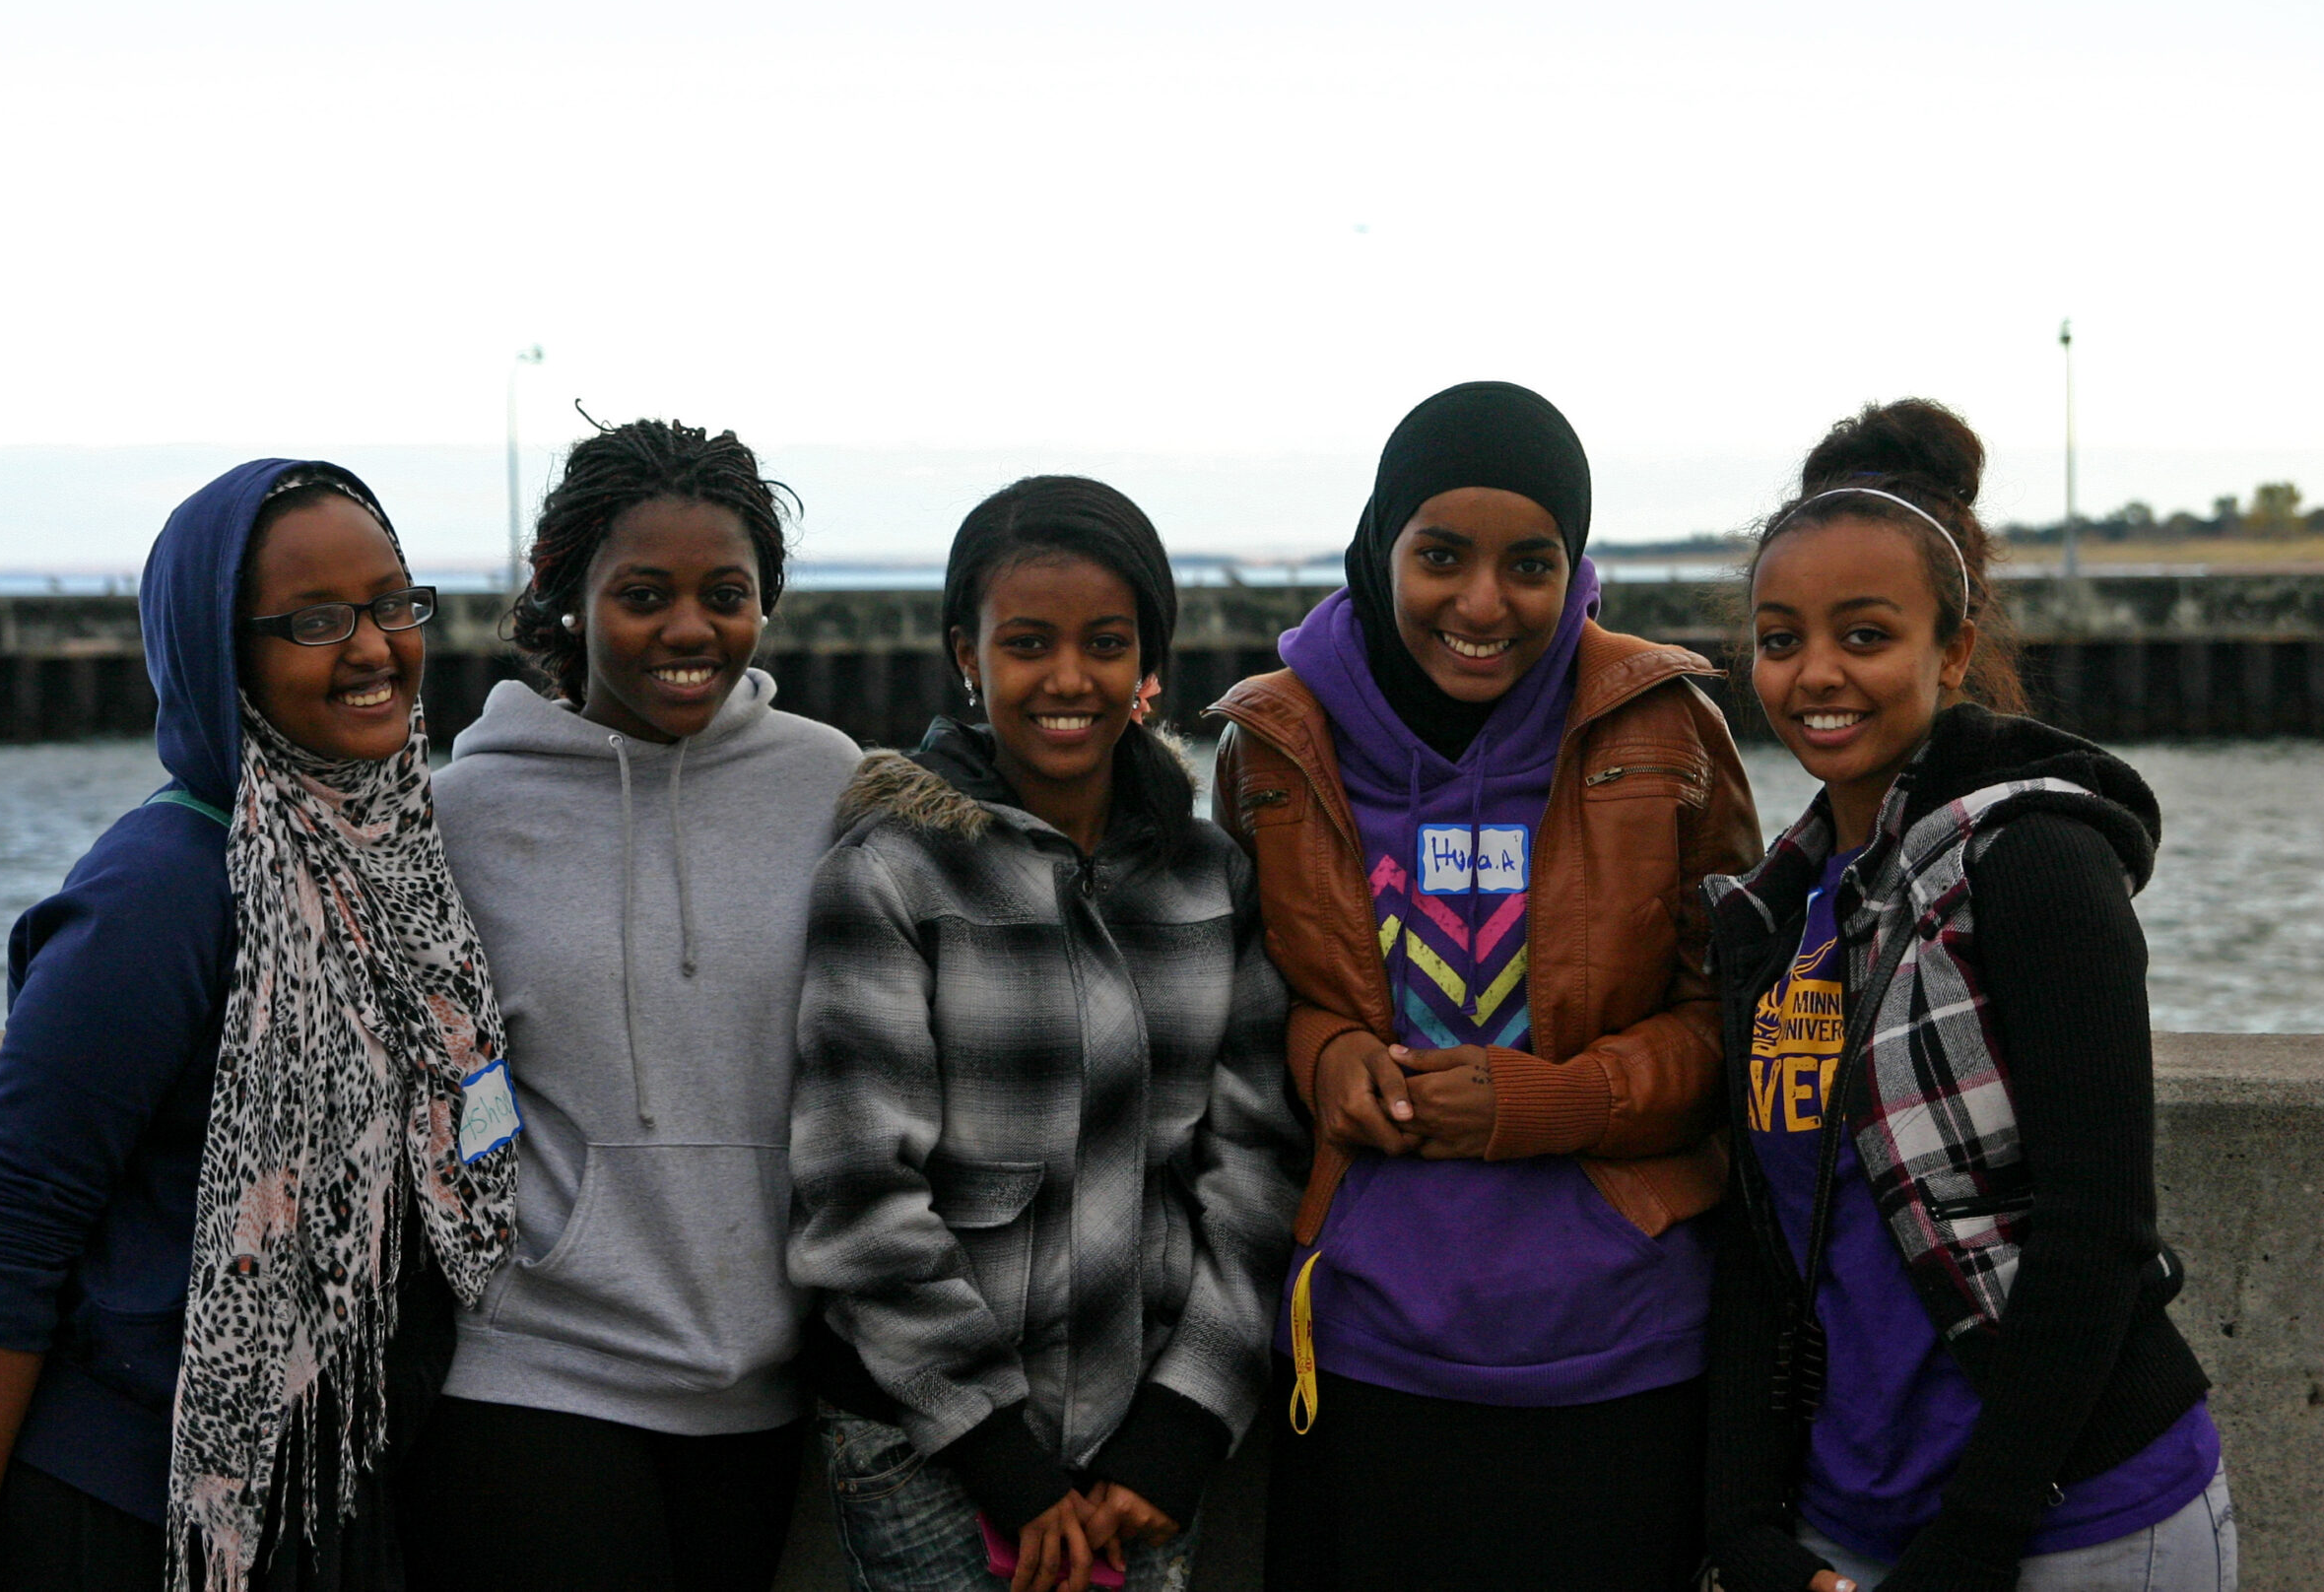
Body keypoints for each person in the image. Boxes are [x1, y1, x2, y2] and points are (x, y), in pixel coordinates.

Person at [0, 460, 520, 1592]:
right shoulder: (158, 895)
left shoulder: (388, 861)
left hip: (319, 1493)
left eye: (392, 603)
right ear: (217, 653)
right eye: (315, 622)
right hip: (126, 1513)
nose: (374, 648)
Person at [1206, 380, 1762, 1592]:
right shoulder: (1274, 739)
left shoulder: (1665, 728)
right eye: (1440, 556)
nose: (1481, 602)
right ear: (1379, 546)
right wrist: (1325, 1054)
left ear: (1575, 567)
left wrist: (1548, 1102)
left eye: (1530, 563)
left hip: (1626, 1351)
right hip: (1357, 1351)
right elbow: (1241, 1003)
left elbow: (1740, 1025)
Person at [1703, 400, 2234, 1592]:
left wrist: (1976, 1539)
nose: (1815, 675)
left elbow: (2096, 1231)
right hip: (1841, 1522)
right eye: (1779, 638)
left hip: (2080, 1524)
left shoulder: (2034, 861)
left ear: (1951, 649)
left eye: (1865, 634)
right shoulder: (1775, 916)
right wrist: (1742, 1523)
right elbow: (1761, 1238)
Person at [787, 475, 1303, 1592]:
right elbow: (858, 1194)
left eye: (1105, 643)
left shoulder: (1212, 881)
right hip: (924, 1445)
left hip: (1143, 1448)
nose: (1068, 679)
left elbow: (1258, 1168)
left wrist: (1185, 1421)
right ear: (966, 655)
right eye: (1027, 643)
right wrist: (1003, 1462)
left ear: (1146, 661)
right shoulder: (888, 875)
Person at [398, 418, 860, 1592]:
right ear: (564, 593)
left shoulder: (831, 785)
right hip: (533, 1371)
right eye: (644, 594)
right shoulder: (464, 814)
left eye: (727, 594)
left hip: (761, 1383)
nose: (689, 630)